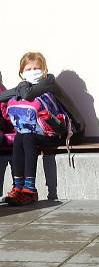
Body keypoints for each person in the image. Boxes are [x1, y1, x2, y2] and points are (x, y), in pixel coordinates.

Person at [0, 52, 83, 205]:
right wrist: (21, 87)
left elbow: (28, 95)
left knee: (28, 136)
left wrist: (21, 86)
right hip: (40, 132)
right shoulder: (26, 86)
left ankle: (30, 190)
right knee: (21, 135)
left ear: (44, 69)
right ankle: (18, 187)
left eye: (37, 68)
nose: (33, 72)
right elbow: (3, 96)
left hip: (63, 132)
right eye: (29, 69)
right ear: (22, 72)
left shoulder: (49, 81)